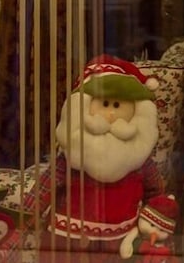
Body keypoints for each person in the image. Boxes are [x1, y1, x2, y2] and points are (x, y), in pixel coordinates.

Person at [46, 55, 164, 253]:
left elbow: (155, 192)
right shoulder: (72, 155)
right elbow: (48, 184)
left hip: (121, 238)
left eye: (117, 106)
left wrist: (158, 217)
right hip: (68, 235)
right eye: (105, 104)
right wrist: (29, 211)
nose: (110, 113)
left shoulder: (139, 159)